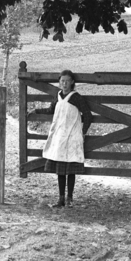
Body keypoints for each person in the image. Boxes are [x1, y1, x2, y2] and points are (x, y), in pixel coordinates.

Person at [42, 69, 92, 209]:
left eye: (67, 81)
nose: (64, 84)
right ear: (59, 82)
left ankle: (69, 198)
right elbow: (51, 110)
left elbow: (88, 115)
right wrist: (36, 111)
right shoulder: (58, 96)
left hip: (72, 137)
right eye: (62, 81)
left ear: (72, 82)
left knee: (70, 169)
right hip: (59, 137)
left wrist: (82, 132)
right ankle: (61, 199)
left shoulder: (76, 98)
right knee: (60, 169)